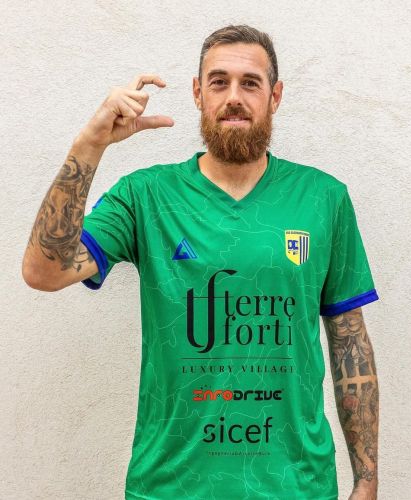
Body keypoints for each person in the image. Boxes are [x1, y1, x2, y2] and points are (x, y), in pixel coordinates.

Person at [22, 24, 380, 500]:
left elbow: (349, 339)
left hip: (296, 486)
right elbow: (44, 271)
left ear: (275, 96)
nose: (234, 97)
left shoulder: (323, 199)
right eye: (218, 82)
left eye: (250, 83)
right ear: (197, 93)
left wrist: (367, 479)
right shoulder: (146, 196)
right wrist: (90, 144)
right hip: (172, 487)